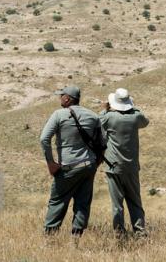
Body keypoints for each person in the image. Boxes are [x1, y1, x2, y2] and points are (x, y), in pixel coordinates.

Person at [40, 85, 100, 237]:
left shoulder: (59, 114)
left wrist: (50, 163)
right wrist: (95, 163)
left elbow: (44, 139)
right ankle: (76, 238)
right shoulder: (93, 116)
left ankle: (50, 238)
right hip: (88, 165)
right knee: (82, 203)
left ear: (67, 98)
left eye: (61, 96)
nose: (60, 98)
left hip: (68, 166)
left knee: (57, 201)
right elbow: (103, 144)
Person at [99, 88, 149, 236]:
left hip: (113, 166)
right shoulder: (136, 117)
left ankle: (120, 233)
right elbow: (145, 121)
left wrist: (105, 109)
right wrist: (133, 107)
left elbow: (97, 122)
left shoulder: (109, 117)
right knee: (135, 201)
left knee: (117, 203)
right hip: (132, 166)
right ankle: (140, 232)